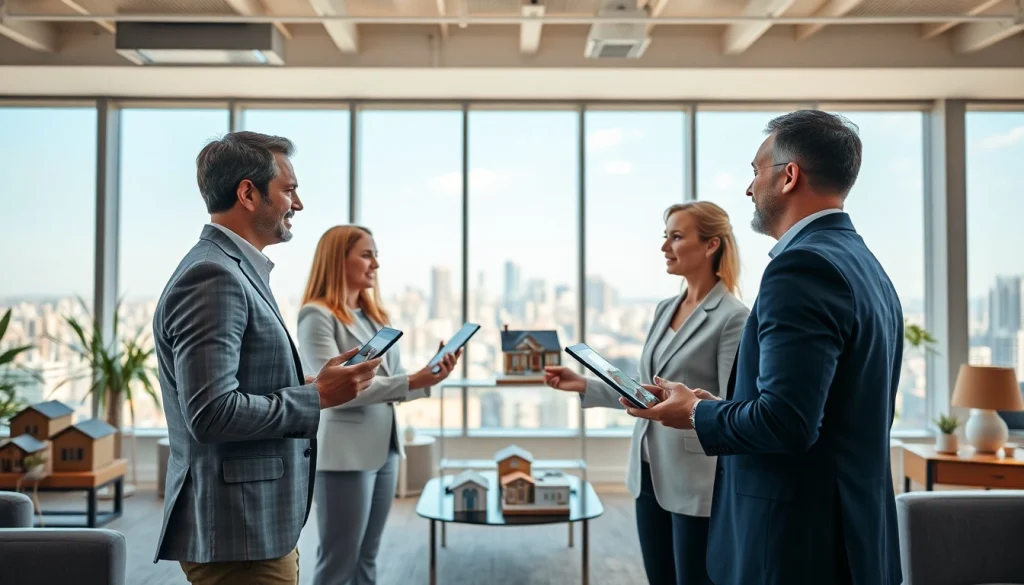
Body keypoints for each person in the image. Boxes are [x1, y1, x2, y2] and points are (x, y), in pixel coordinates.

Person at [623, 110, 904, 585]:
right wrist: (720, 407)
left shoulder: (801, 269)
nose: (750, 188)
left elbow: (787, 423)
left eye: (756, 171)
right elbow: (822, 408)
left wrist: (696, 414)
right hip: (852, 530)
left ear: (789, 176)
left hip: (795, 544)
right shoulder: (866, 266)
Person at [151, 132, 383, 585]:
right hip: (239, 530)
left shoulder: (233, 269)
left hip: (257, 526)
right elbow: (212, 414)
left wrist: (315, 386)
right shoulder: (212, 276)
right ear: (248, 194)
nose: (298, 205)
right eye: (289, 190)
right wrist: (316, 398)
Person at [544, 201, 749, 585]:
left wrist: (692, 407)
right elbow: (646, 393)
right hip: (647, 471)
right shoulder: (664, 308)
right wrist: (584, 383)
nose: (664, 247)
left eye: (676, 236)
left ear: (711, 245)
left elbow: (732, 408)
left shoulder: (733, 317)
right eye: (665, 236)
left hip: (695, 480)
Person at [297, 225, 461, 585]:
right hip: (344, 455)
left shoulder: (374, 317)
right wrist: (415, 380)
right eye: (367, 254)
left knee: (367, 557)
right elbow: (332, 389)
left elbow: (393, 381)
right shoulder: (316, 316)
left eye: (376, 255)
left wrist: (428, 377)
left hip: (384, 448)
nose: (376, 264)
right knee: (339, 561)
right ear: (338, 260)